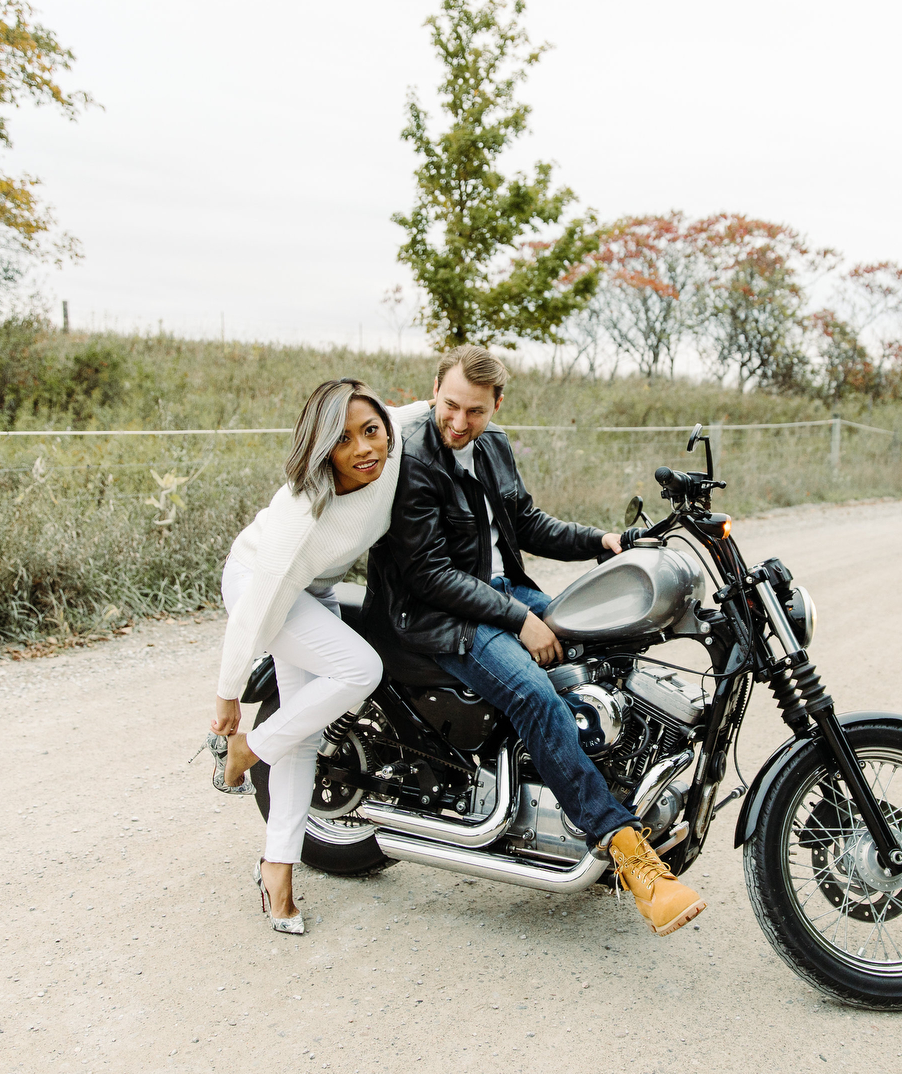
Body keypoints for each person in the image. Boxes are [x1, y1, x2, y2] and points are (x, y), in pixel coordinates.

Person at [367, 345, 707, 936]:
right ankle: (624, 851)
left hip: (496, 592)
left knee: (598, 650)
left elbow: (524, 521)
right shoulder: (415, 457)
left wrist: (603, 542)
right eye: (450, 406)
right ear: (435, 392)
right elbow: (427, 574)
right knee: (533, 694)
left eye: (474, 411)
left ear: (497, 405)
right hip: (435, 615)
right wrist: (520, 620)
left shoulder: (492, 445)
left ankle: (582, 782)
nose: (458, 422)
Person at [204, 378, 429, 934]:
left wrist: (473, 413)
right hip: (263, 581)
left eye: (371, 431)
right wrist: (228, 690)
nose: (365, 449)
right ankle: (246, 749)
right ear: (322, 448)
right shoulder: (301, 508)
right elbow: (257, 607)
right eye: (345, 440)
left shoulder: (394, 434)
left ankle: (277, 868)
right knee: (360, 668)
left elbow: (443, 405)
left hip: (317, 587)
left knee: (304, 730)